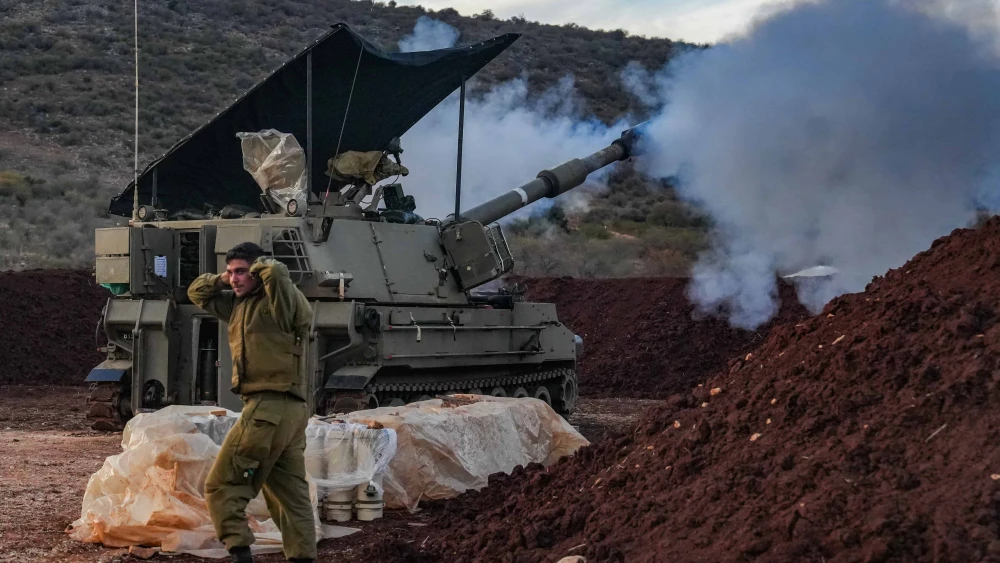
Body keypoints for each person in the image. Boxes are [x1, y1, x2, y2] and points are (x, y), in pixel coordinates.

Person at [187, 242, 315, 563]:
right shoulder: (237, 306)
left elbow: (277, 274)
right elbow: (196, 293)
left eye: (241, 272)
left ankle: (240, 554)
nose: (234, 279)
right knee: (288, 495)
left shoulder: (282, 306)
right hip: (288, 414)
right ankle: (302, 557)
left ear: (258, 271)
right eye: (231, 272)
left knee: (222, 485)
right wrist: (223, 279)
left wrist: (261, 268)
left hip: (267, 409)